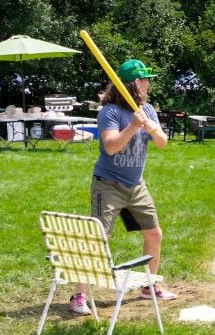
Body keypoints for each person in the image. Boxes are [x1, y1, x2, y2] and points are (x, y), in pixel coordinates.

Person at [70, 59, 177, 315]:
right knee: (99, 238)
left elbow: (162, 143)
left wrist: (152, 128)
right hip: (108, 185)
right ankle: (78, 296)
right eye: (146, 80)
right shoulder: (110, 112)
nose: (149, 84)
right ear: (136, 83)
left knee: (154, 234)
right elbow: (111, 146)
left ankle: (149, 286)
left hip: (136, 185)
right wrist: (133, 126)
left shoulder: (148, 109)